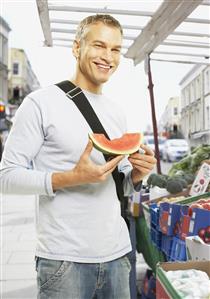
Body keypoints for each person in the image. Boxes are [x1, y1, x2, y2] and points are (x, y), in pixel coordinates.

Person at [1, 14, 156, 299]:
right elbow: (6, 177)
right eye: (99, 45)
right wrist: (69, 178)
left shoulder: (115, 111)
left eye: (115, 49)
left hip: (118, 256)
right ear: (76, 48)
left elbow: (118, 184)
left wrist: (136, 175)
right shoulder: (40, 103)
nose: (108, 57)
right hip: (63, 261)